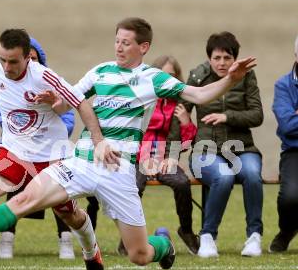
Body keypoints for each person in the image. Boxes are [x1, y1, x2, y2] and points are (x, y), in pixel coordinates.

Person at [0, 18, 256, 270]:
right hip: (81, 161)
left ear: (144, 46)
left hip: (119, 170)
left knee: (138, 254)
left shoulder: (153, 79)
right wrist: (53, 104)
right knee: (22, 200)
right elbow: (72, 102)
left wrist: (230, 80)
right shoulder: (100, 71)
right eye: (116, 40)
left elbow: (198, 96)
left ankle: (163, 244)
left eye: (126, 42)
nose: (119, 47)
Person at [0, 28, 113, 270]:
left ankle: (91, 251)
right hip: (15, 153)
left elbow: (80, 103)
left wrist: (97, 140)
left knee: (68, 213)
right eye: (3, 59)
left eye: (13, 61)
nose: (6, 66)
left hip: (51, 157)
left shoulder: (44, 77)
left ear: (28, 58)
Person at [87, 55, 199, 256]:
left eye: (172, 75)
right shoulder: (142, 98)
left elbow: (183, 139)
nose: (167, 78)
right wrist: (145, 158)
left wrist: (185, 125)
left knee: (182, 183)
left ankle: (187, 230)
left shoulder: (177, 104)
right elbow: (135, 132)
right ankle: (127, 239)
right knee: (133, 187)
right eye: (163, 74)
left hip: (165, 159)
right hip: (138, 158)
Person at [0, 37, 76, 260]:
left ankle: (66, 239)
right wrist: (23, 134)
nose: (29, 63)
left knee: (60, 189)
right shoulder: (5, 84)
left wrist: (52, 107)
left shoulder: (51, 83)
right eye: (26, 59)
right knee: (11, 180)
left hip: (51, 150)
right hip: (19, 148)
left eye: (33, 58)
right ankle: (6, 238)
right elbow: (3, 116)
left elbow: (69, 117)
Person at [184, 31, 264, 258]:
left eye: (227, 58)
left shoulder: (246, 76)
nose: (221, 63)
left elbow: (257, 116)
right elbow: (179, 114)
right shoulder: (197, 76)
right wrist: (172, 152)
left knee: (252, 174)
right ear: (209, 58)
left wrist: (227, 116)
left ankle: (254, 237)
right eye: (216, 58)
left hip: (242, 148)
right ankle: (208, 237)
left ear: (234, 59)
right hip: (205, 149)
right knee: (224, 176)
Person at [269, 35, 298, 252]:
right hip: (293, 151)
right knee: (290, 197)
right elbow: (287, 126)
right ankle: (287, 230)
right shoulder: (283, 85)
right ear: (296, 56)